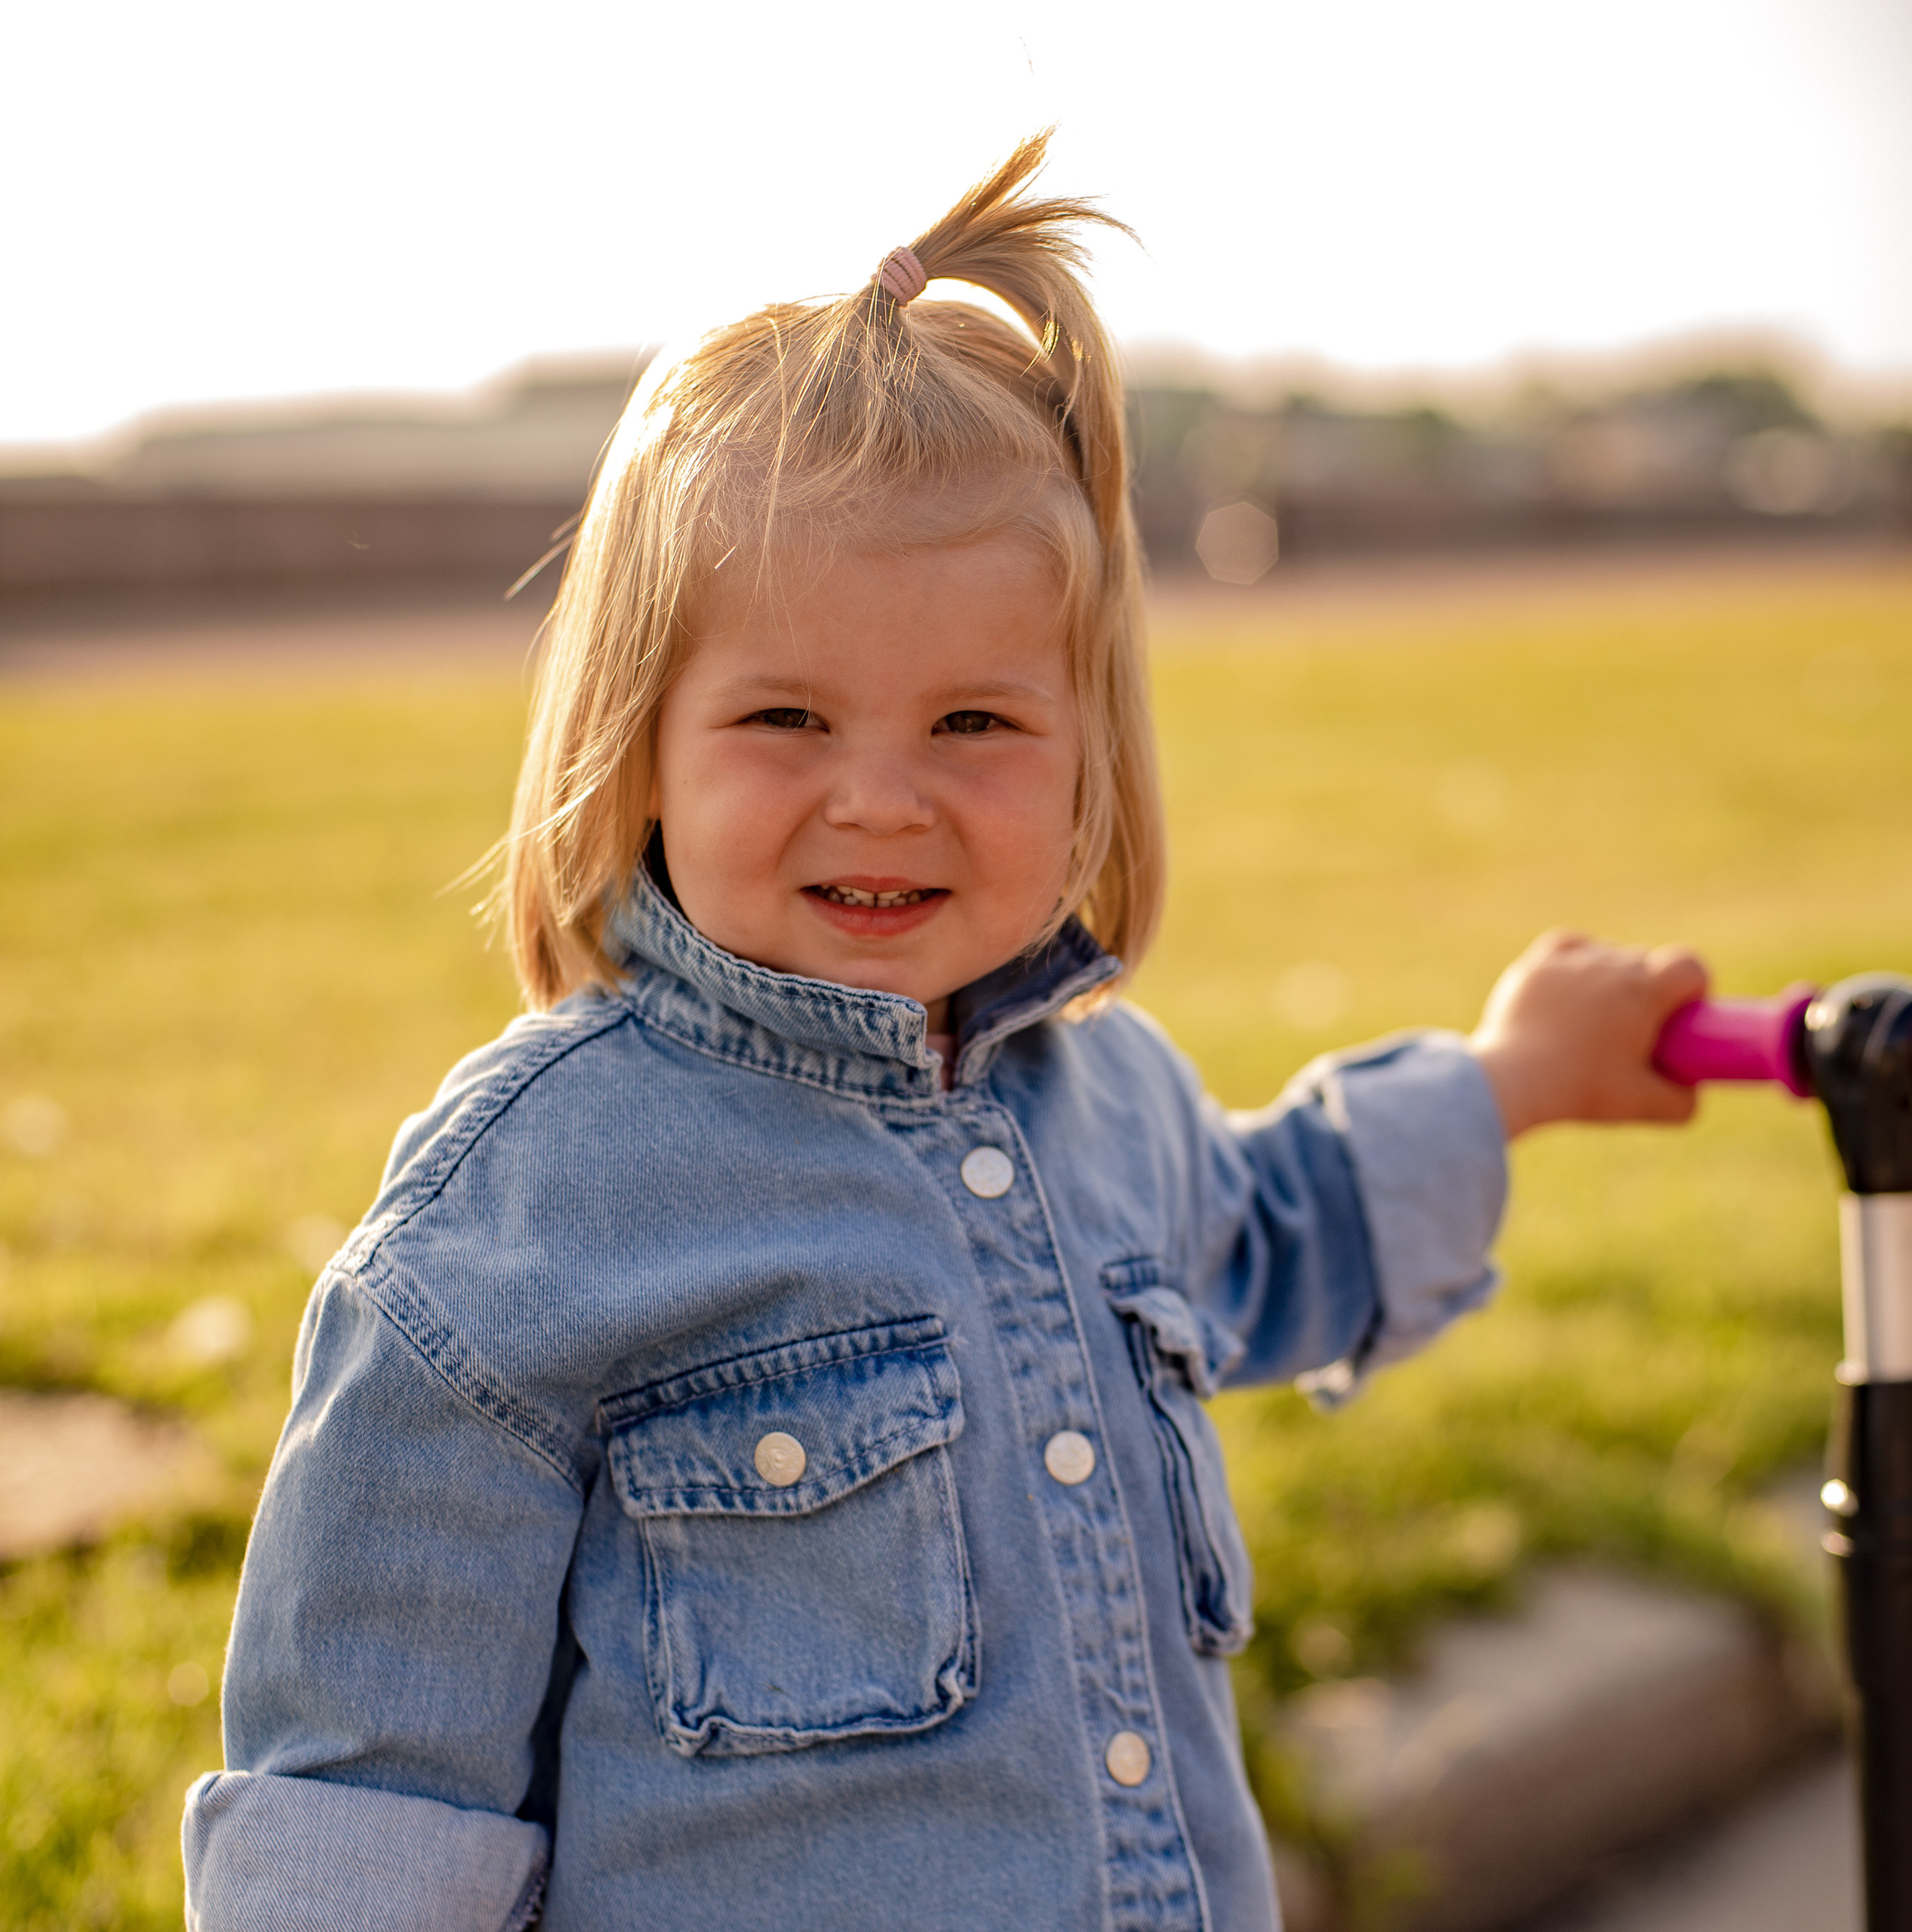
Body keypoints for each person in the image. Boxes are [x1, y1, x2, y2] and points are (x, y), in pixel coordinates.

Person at [180, 137, 1706, 1932]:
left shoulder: (1103, 1094)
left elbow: (1273, 1224)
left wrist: (1515, 1077)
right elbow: (367, 1780)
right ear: (640, 741)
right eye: (786, 716)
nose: (882, 799)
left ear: (1086, 751)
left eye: (974, 719)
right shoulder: (524, 1211)